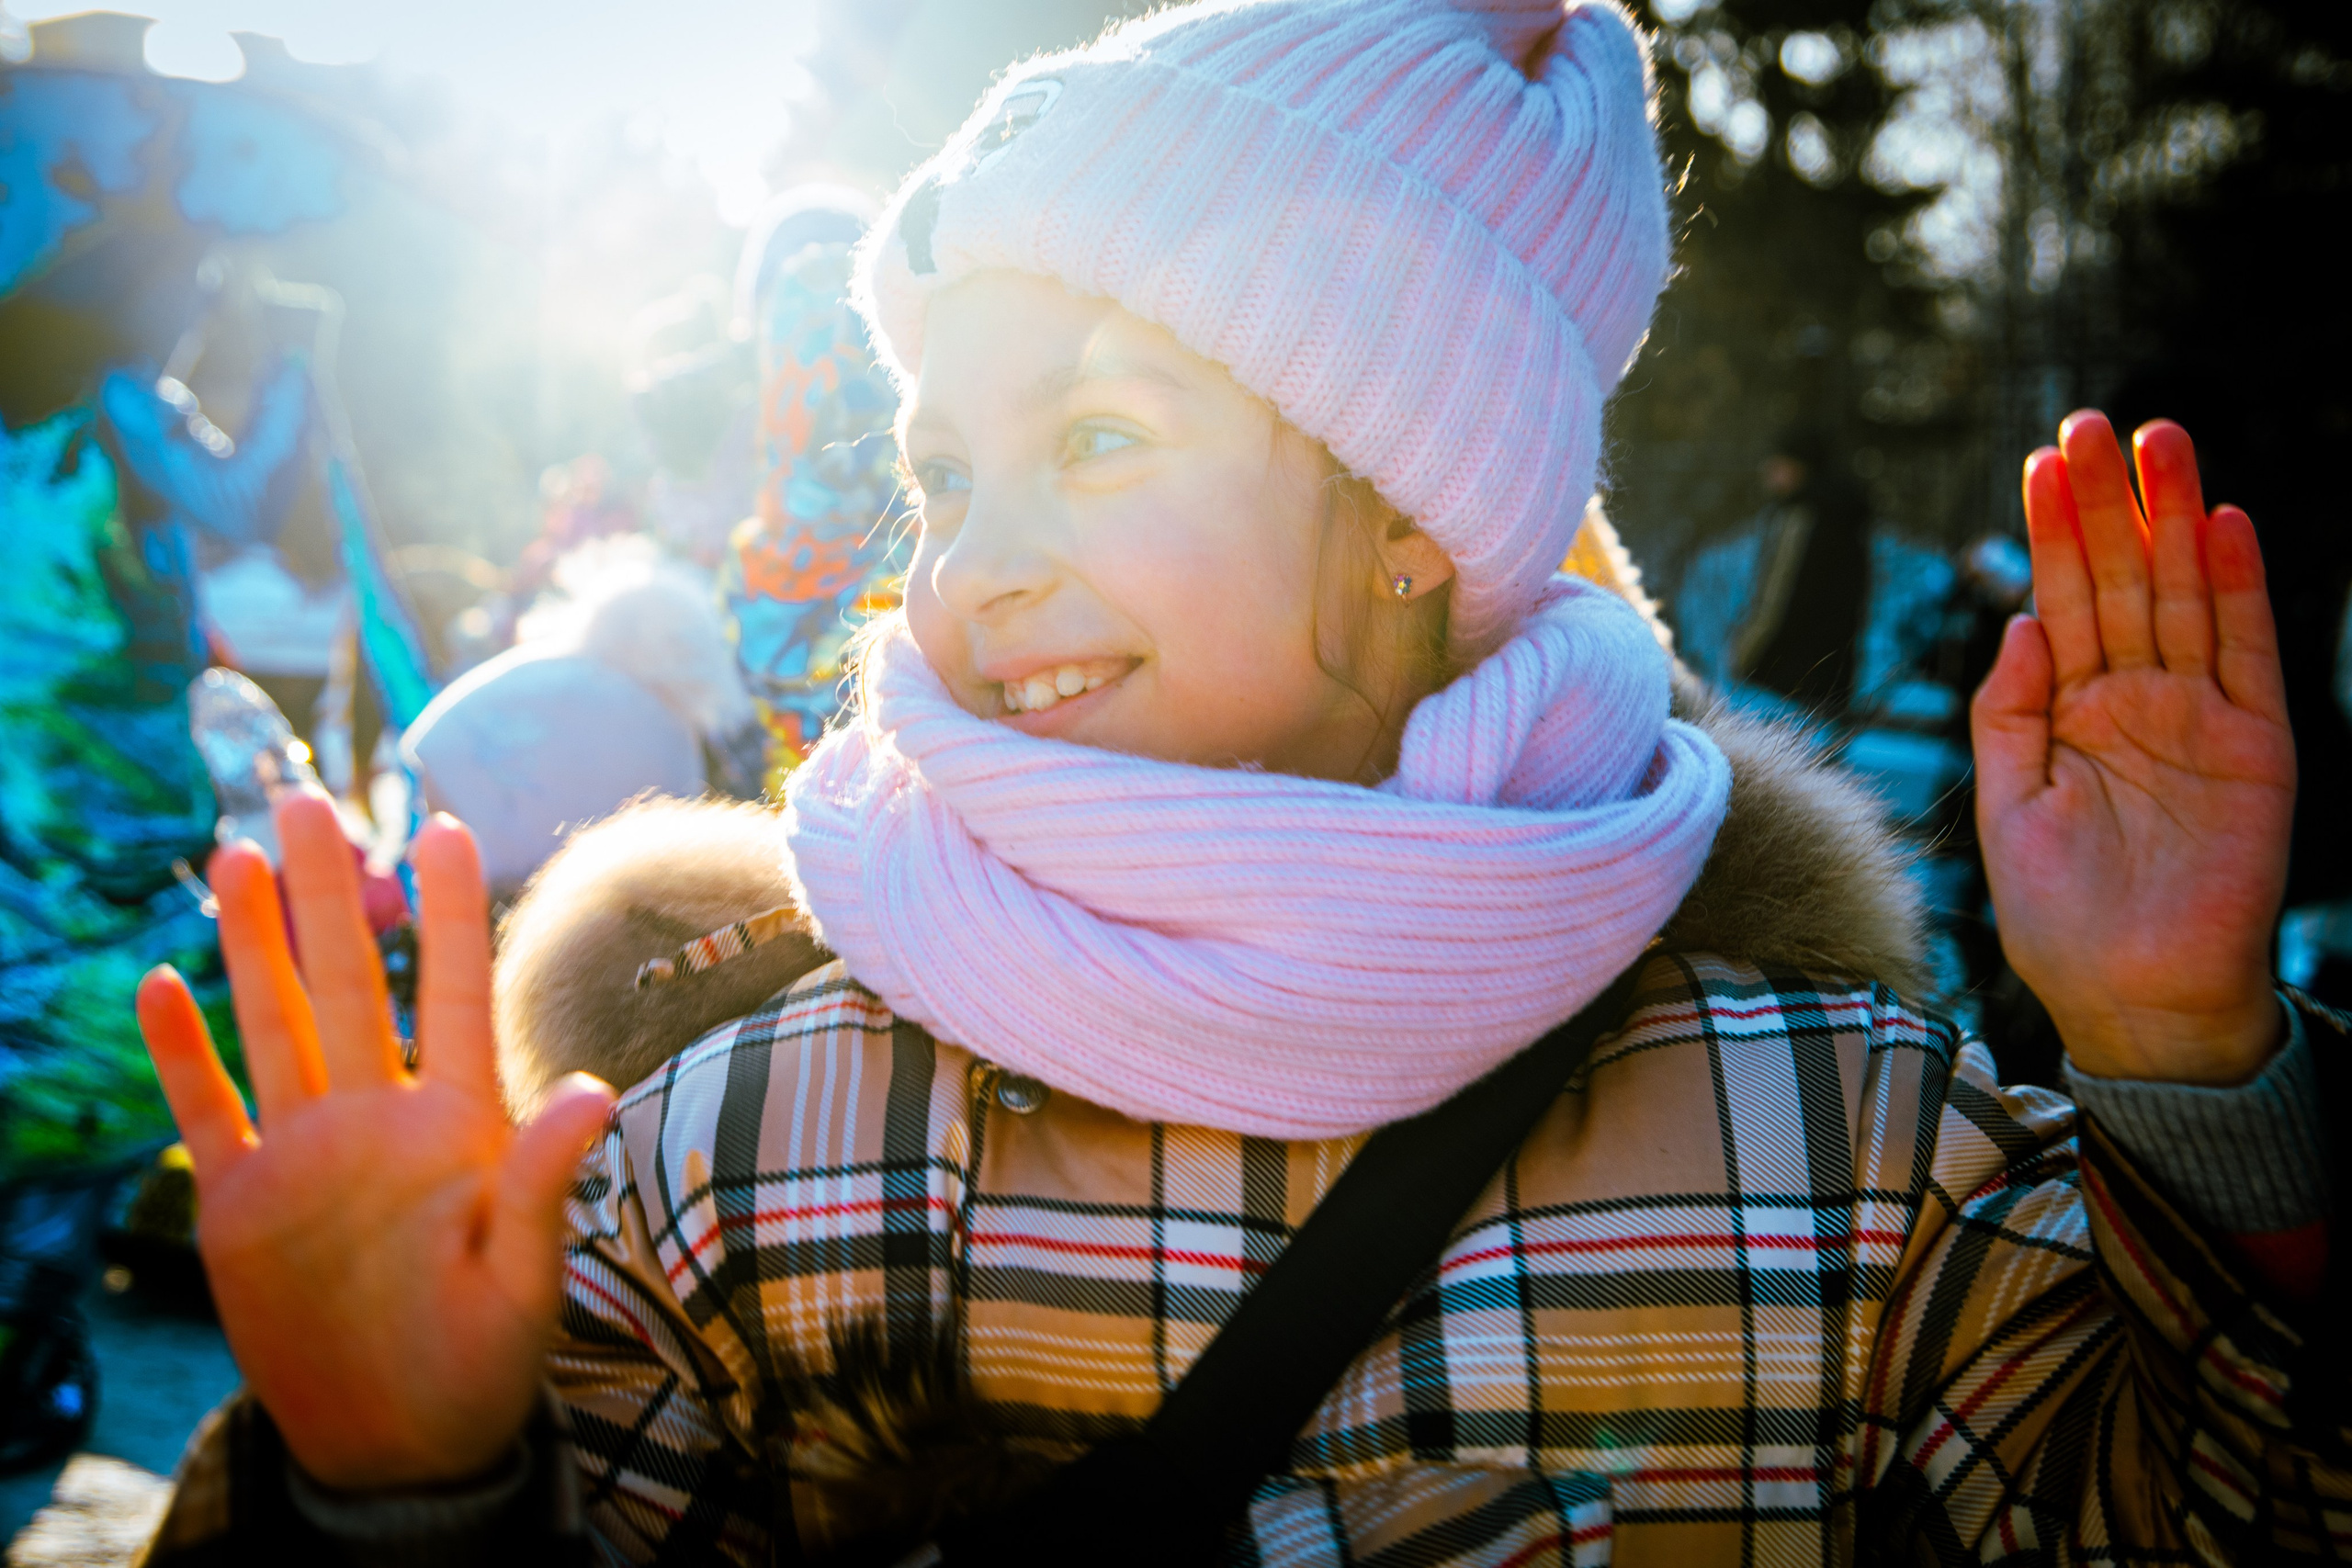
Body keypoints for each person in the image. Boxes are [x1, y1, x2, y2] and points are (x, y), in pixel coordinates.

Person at [136, 2, 2341, 1563]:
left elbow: (2199, 1505)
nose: (974, 558)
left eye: (1096, 436)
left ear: (1412, 504)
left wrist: (2173, 1061)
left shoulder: (1836, 1136)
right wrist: (396, 1486)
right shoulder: (760, 1124)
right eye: (944, 468)